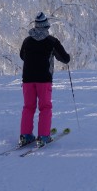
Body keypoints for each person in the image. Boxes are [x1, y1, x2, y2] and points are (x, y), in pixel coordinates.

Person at [19, 12, 71, 147]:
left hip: (27, 79)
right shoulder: (51, 41)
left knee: (28, 107)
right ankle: (43, 136)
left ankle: (25, 136)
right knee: (45, 107)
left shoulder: (27, 40)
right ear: (46, 26)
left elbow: (22, 56)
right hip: (44, 79)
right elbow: (64, 58)